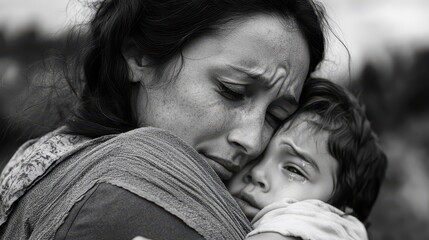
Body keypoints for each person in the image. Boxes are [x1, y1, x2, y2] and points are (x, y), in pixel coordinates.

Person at [0, 1, 360, 239]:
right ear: (139, 56)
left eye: (276, 116)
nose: (252, 141)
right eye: (231, 90)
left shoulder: (47, 159)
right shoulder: (132, 197)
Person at [228, 78, 388, 240]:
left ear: (339, 211)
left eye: (293, 169)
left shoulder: (322, 226)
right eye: (257, 155)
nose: (257, 173)